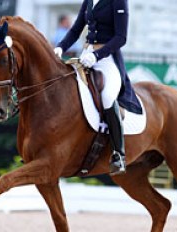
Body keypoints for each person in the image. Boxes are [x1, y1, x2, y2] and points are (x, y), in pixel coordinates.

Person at [54, 0, 142, 175]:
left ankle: (119, 154)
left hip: (107, 58)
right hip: (86, 55)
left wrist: (97, 55)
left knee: (108, 97)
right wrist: (60, 47)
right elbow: (75, 29)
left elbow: (121, 38)